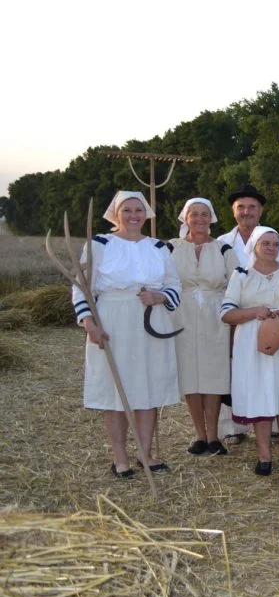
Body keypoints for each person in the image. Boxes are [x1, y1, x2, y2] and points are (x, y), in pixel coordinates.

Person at [73, 191, 181, 478]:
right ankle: (120, 458)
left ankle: (145, 455)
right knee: (115, 391)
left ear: (146, 214)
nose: (134, 215)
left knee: (149, 389)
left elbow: (174, 285)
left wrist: (160, 296)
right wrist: (89, 323)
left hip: (151, 322)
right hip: (112, 321)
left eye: (139, 210)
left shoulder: (160, 247)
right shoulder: (99, 244)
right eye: (128, 210)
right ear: (116, 214)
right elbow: (81, 287)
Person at [219, 227, 279, 476]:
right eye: (266, 243)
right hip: (253, 346)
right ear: (254, 246)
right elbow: (226, 313)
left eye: (275, 243)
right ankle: (264, 455)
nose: (271, 248)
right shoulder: (241, 274)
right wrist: (254, 312)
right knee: (260, 398)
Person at [216, 184, 279, 445]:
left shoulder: (274, 240)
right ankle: (232, 426)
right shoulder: (222, 242)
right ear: (233, 211)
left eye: (252, 207)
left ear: (260, 211)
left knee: (267, 368)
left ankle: (270, 423)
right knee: (232, 368)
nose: (246, 212)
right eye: (241, 207)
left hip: (267, 319)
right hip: (233, 312)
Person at [170, 197, 238, 457]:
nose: (199, 219)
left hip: (215, 316)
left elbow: (236, 285)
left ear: (211, 218)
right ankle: (199, 434)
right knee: (191, 377)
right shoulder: (171, 248)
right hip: (182, 315)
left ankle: (214, 435)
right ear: (185, 218)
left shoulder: (223, 250)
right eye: (194, 214)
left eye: (204, 214)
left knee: (213, 376)